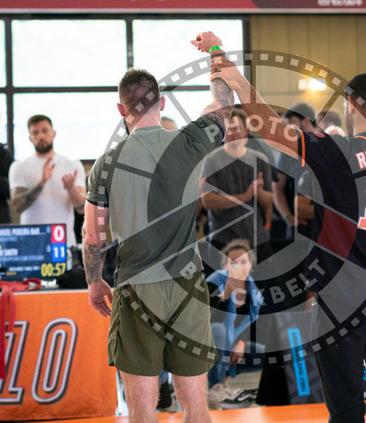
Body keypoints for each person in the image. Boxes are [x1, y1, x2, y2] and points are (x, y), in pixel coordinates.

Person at [202, 32, 366, 422]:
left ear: (349, 106)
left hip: (340, 300)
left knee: (346, 406)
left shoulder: (337, 151)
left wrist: (237, 78)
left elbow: (270, 128)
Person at [83, 48, 233, 422]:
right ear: (161, 103)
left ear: (121, 110)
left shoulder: (106, 164)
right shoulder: (189, 142)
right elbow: (223, 104)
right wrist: (216, 53)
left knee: (142, 411)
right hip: (187, 285)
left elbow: (93, 236)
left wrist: (95, 282)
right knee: (196, 409)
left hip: (136, 288)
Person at [201, 109, 274, 262]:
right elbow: (208, 201)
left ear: (246, 130)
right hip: (222, 239)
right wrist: (244, 197)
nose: (233, 133)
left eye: (236, 128)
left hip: (256, 239)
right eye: (228, 129)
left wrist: (259, 192)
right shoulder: (211, 161)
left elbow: (269, 201)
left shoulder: (260, 160)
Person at [9, 115, 86, 247]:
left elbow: (82, 208)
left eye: (45, 131)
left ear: (53, 133)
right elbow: (18, 206)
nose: (41, 136)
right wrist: (41, 183)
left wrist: (71, 188)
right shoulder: (19, 166)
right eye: (35, 133)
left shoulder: (72, 165)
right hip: (31, 243)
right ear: (30, 138)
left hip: (63, 242)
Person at [206, 239, 264, 408]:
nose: (239, 266)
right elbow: (208, 321)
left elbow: (246, 325)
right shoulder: (214, 282)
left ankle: (223, 377)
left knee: (263, 354)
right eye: (233, 262)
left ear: (250, 265)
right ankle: (214, 384)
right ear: (225, 265)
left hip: (230, 344)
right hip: (207, 343)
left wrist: (241, 343)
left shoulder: (252, 290)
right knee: (219, 330)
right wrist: (225, 296)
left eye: (243, 262)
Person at [272, 103, 315, 239]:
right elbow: (277, 187)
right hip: (297, 227)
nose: (289, 127)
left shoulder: (326, 146)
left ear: (306, 122)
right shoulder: (287, 151)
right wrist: (287, 216)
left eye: (293, 122)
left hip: (323, 224)